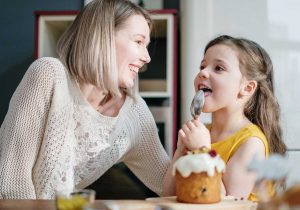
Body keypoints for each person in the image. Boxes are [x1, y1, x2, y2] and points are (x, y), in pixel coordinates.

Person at [0, 0, 171, 199]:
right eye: (139, 42)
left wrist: (190, 149)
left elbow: (169, 187)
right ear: (102, 37)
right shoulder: (49, 76)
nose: (147, 57)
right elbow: (10, 185)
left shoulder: (135, 113)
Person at [163, 35, 287, 201]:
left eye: (219, 68)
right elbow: (168, 195)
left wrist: (202, 151)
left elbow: (228, 203)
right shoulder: (203, 134)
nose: (203, 72)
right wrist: (181, 152)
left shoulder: (251, 143)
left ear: (247, 88)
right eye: (203, 66)